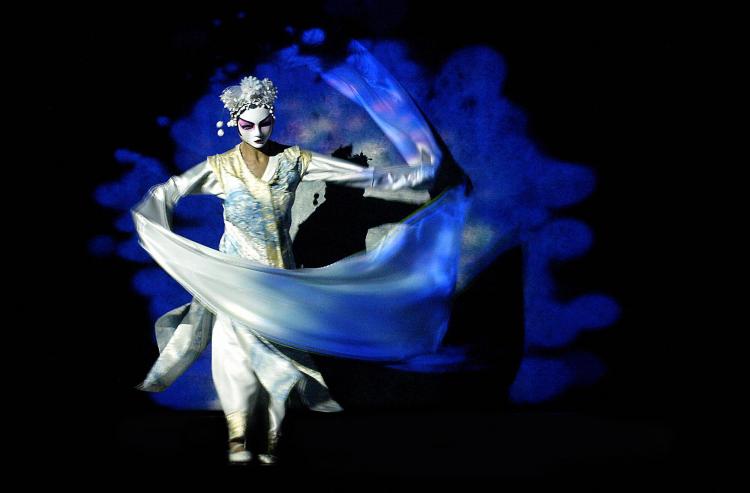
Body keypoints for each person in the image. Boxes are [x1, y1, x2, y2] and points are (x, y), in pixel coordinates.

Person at [134, 75, 441, 465]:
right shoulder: (220, 168)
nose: (258, 132)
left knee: (282, 361)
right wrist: (157, 230)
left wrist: (420, 174)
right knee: (234, 356)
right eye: (248, 124)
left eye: (265, 123)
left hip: (280, 281)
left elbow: (363, 177)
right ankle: (238, 440)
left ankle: (275, 440)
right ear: (234, 122)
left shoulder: (294, 160)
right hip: (236, 278)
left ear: (273, 118)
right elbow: (169, 190)